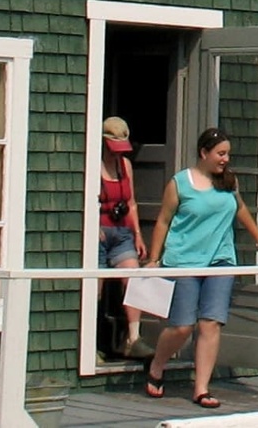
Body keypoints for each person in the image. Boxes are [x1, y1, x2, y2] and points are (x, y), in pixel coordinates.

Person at [144, 128, 258, 408]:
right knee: (182, 327)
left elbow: (239, 208)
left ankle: (201, 389)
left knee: (211, 323)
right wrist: (153, 259)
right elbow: (163, 221)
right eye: (220, 153)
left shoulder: (228, 182)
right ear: (204, 153)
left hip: (220, 260)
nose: (225, 159)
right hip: (184, 261)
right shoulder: (180, 183)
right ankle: (157, 366)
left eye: (227, 154)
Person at [98, 116, 154, 359]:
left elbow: (130, 203)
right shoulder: (92, 164)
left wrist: (138, 234)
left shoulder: (125, 166)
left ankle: (133, 337)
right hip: (99, 231)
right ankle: (91, 341)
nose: (115, 153)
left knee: (133, 276)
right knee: (95, 286)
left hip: (121, 231)